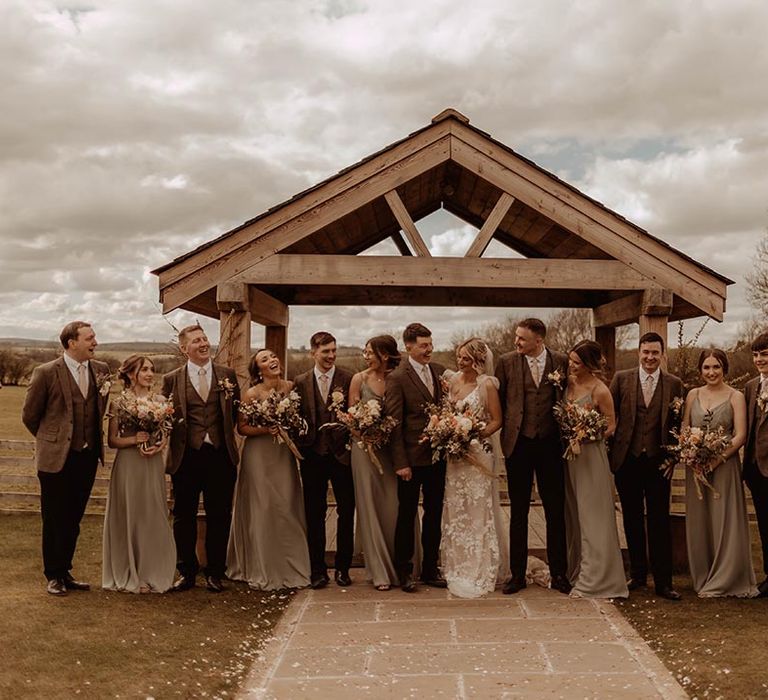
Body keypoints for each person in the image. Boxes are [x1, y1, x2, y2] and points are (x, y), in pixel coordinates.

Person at [22, 321, 111, 595]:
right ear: (72, 342)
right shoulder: (46, 372)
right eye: (90, 338)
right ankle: (53, 574)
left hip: (86, 457)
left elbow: (98, 409)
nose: (95, 342)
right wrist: (53, 440)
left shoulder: (101, 371)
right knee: (54, 517)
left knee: (74, 517)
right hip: (55, 459)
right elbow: (30, 415)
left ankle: (66, 570)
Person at [161, 324, 240, 593]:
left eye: (205, 338)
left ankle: (215, 572)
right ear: (185, 349)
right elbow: (164, 416)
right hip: (186, 456)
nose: (204, 343)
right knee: (184, 515)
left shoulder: (227, 375)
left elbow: (236, 413)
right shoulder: (172, 379)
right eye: (196, 341)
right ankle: (186, 571)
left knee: (220, 514)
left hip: (220, 455)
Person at [495, 318, 570, 594]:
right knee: (519, 511)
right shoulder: (506, 362)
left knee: (554, 510)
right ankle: (517, 575)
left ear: (539, 340)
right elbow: (500, 401)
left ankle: (559, 573)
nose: (516, 342)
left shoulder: (561, 361)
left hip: (551, 445)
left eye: (522, 339)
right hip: (519, 444)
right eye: (516, 337)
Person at [227, 349, 310, 590]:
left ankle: (290, 563)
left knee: (286, 505)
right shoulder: (251, 394)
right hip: (259, 456)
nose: (272, 360)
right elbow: (241, 427)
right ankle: (263, 564)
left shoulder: (292, 387)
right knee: (263, 506)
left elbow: (300, 419)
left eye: (273, 356)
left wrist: (289, 425)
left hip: (283, 454)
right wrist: (266, 429)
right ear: (258, 370)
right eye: (265, 359)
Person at [610, 332, 684, 601]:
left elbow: (676, 427)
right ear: (638, 352)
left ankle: (664, 582)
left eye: (655, 353)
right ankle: (638, 574)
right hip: (627, 460)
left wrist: (672, 458)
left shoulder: (674, 384)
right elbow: (609, 415)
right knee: (631, 518)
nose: (650, 357)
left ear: (662, 354)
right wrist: (612, 455)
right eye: (646, 352)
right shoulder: (621, 379)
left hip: (657, 462)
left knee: (658, 519)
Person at [682, 349, 757, 598]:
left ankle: (726, 577)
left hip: (724, 467)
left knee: (724, 519)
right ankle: (703, 575)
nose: (711, 372)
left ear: (724, 368)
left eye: (716, 367)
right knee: (700, 521)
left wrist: (715, 461)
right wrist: (690, 453)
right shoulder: (692, 395)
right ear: (700, 369)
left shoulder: (735, 396)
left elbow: (741, 435)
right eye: (706, 367)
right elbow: (684, 429)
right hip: (696, 469)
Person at [441, 338, 508, 598]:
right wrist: (449, 434)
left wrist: (473, 436)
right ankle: (455, 565)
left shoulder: (487, 385)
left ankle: (479, 566)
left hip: (478, 454)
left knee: (478, 509)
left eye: (466, 358)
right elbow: (447, 413)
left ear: (479, 360)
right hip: (455, 457)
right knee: (456, 509)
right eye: (459, 356)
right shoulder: (452, 380)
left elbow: (496, 420)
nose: (461, 362)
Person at [102, 355, 176, 593]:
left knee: (152, 513)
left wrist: (159, 444)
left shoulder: (161, 401)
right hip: (129, 464)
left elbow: (165, 433)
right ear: (131, 373)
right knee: (130, 514)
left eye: (151, 369)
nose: (149, 373)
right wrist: (134, 439)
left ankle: (152, 570)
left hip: (152, 463)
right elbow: (112, 440)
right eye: (144, 369)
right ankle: (130, 572)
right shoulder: (119, 403)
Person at [562, 340, 628, 599]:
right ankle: (576, 570)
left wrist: (590, 433)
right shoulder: (566, 383)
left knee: (593, 516)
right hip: (570, 457)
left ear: (590, 364)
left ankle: (597, 577)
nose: (572, 365)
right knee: (574, 514)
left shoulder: (601, 390)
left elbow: (611, 425)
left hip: (591, 456)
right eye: (571, 360)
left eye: (577, 362)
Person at [385, 322, 447, 592]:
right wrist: (401, 463)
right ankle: (404, 571)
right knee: (407, 515)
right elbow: (394, 423)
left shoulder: (438, 371)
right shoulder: (398, 377)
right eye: (423, 345)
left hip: (437, 458)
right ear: (408, 347)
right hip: (410, 460)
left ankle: (431, 569)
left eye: (430, 344)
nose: (429, 349)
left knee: (434, 514)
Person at [294, 331, 355, 589]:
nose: (331, 356)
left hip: (342, 455)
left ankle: (343, 568)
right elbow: (295, 418)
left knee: (346, 510)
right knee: (314, 513)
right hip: (312, 456)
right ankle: (317, 570)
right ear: (313, 353)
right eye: (325, 352)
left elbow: (355, 414)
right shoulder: (300, 381)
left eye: (333, 351)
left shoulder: (348, 378)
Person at [348, 335, 406, 591]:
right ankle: (379, 571)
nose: (365, 356)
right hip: (365, 451)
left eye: (369, 351)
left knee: (395, 507)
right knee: (369, 507)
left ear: (384, 354)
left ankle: (403, 565)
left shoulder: (399, 377)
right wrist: (366, 432)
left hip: (394, 452)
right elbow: (350, 417)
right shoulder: (359, 379)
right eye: (364, 351)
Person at [743, 331, 768, 597]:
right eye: (756, 355)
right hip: (755, 469)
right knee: (763, 524)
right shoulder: (751, 386)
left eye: (764, 354)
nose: (759, 359)